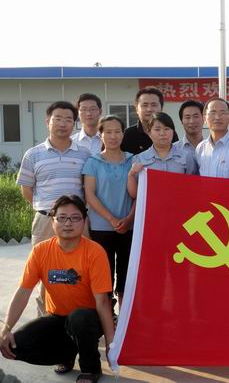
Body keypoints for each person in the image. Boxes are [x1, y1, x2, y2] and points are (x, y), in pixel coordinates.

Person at [0, 195, 114, 383]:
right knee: (12, 347)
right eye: (62, 218)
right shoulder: (41, 251)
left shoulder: (95, 252)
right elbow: (23, 292)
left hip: (88, 319)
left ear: (84, 221)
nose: (68, 223)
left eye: (75, 218)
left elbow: (102, 302)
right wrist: (6, 329)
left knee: (79, 318)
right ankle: (66, 355)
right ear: (52, 221)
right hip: (57, 317)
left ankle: (91, 368)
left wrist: (111, 344)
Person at [16, 101, 91, 316]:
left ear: (74, 124)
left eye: (68, 119)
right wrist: (50, 212)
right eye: (58, 118)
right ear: (48, 121)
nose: (63, 124)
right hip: (46, 221)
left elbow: (88, 188)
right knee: (45, 272)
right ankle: (46, 322)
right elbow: (27, 190)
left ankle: (79, 322)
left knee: (80, 271)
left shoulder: (84, 153)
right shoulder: (33, 154)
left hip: (78, 221)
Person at [82, 115, 135, 311]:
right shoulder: (93, 162)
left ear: (123, 133)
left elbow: (139, 194)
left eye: (117, 131)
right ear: (101, 135)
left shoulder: (133, 160)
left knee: (126, 274)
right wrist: (112, 219)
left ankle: (125, 318)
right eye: (108, 132)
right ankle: (106, 317)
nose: (113, 136)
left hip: (129, 227)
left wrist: (128, 219)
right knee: (104, 274)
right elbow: (90, 194)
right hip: (101, 228)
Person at [128, 112, 198, 198]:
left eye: (167, 129)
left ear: (173, 132)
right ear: (149, 133)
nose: (162, 133)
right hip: (152, 206)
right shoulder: (139, 159)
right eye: (157, 129)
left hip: (179, 204)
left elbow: (194, 188)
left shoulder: (186, 157)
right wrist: (131, 174)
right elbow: (134, 194)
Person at [121, 86, 178, 155]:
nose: (149, 109)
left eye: (154, 105)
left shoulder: (169, 133)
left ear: (161, 108)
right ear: (136, 109)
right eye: (145, 105)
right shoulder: (127, 135)